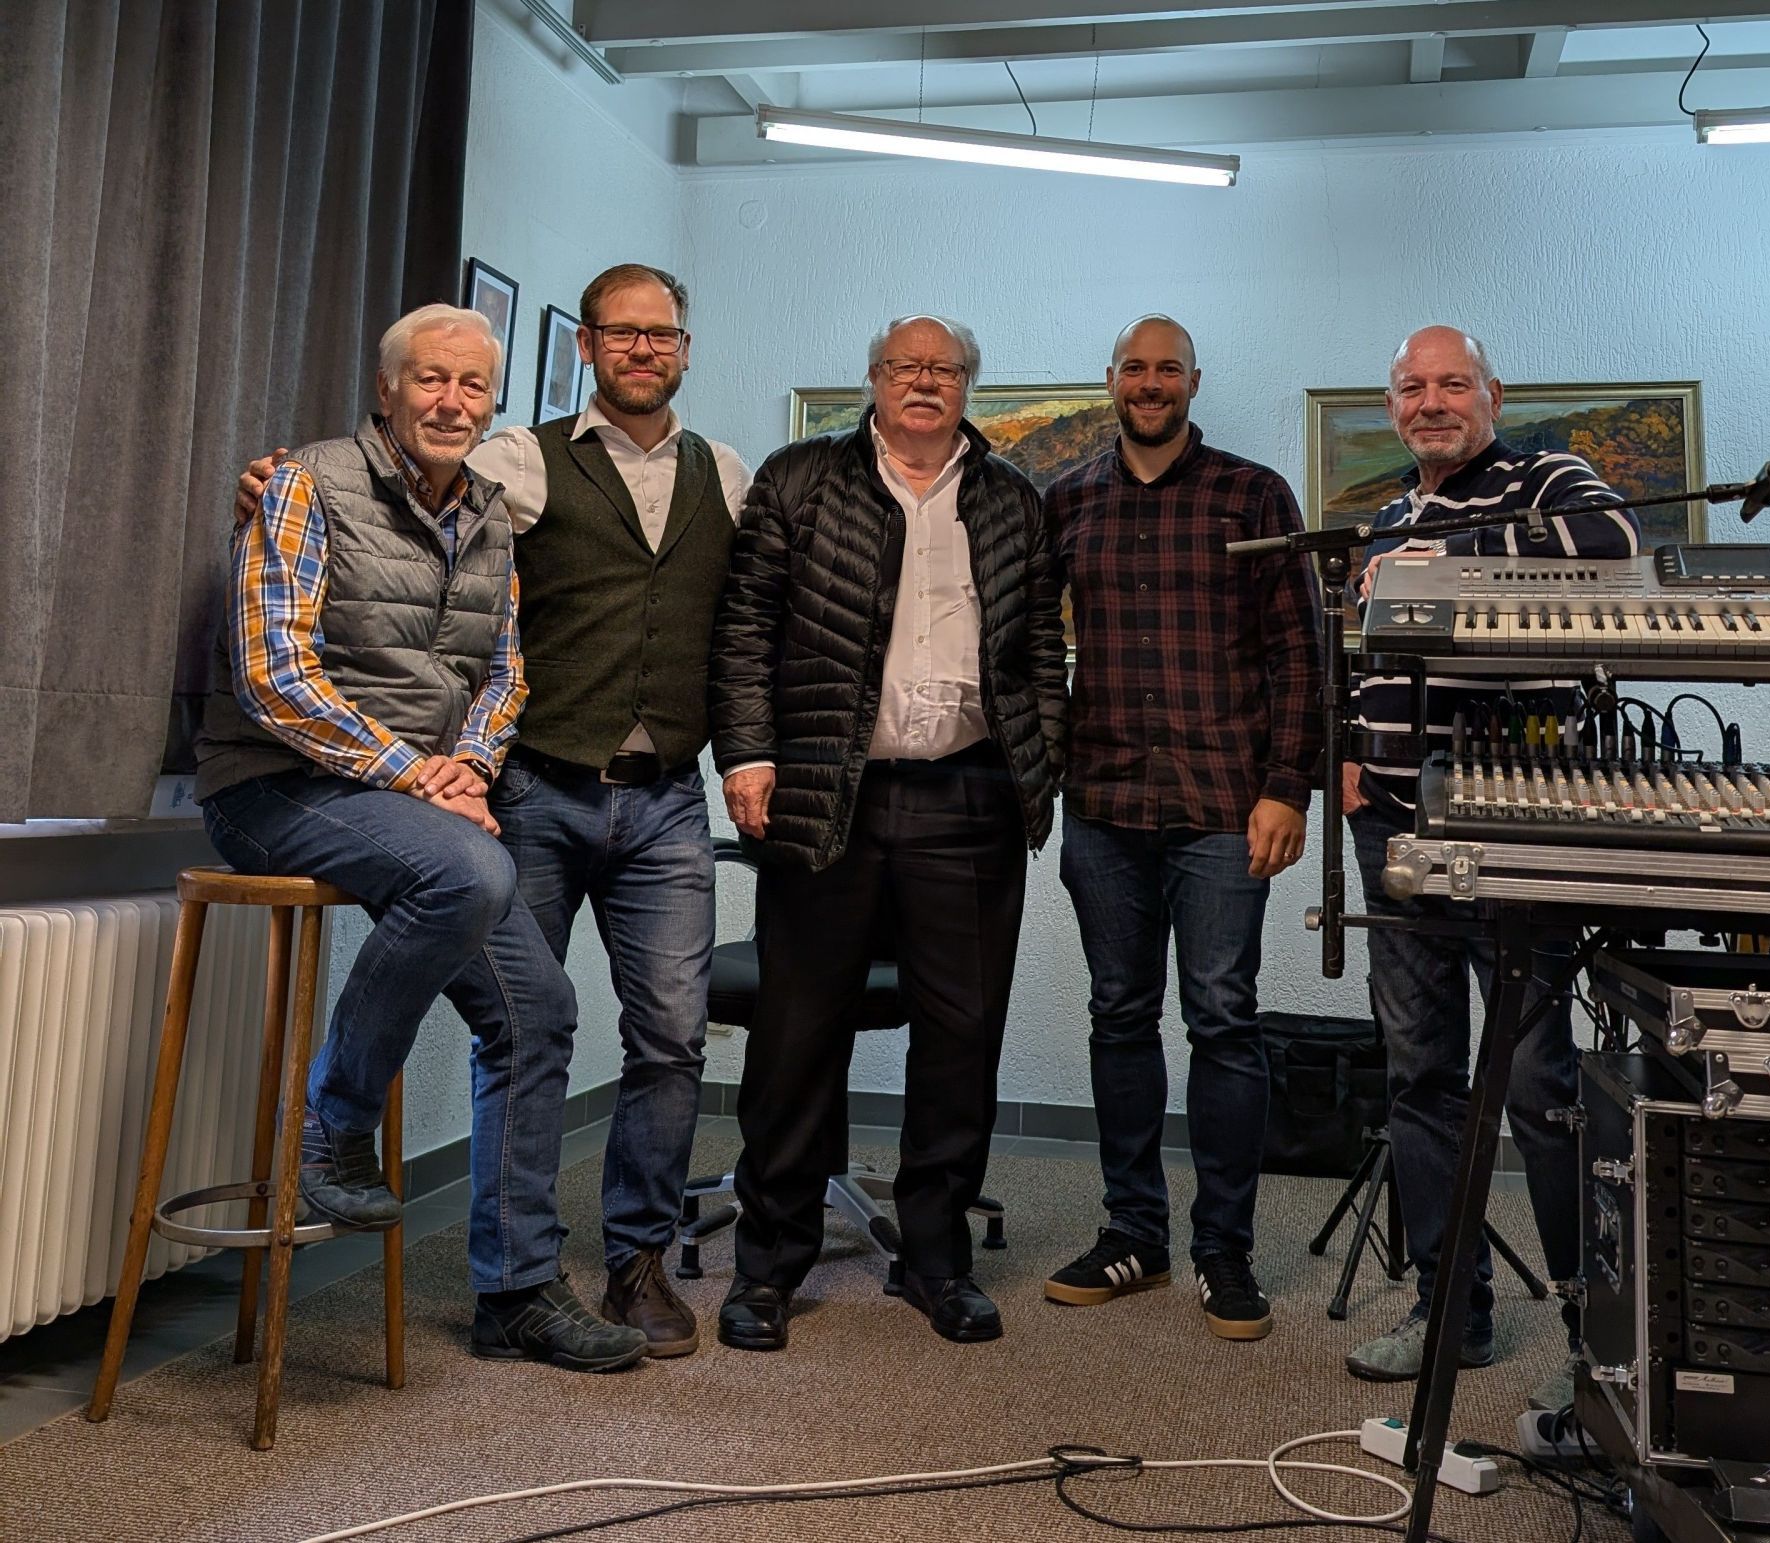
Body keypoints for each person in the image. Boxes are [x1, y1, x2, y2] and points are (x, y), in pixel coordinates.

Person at [235, 263, 749, 1361]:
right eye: (432, 380)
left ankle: (533, 1288)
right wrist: (426, 773)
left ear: (687, 346)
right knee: (470, 886)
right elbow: (273, 672)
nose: (453, 402)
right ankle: (337, 1125)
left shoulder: (486, 504)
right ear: (387, 389)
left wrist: (460, 760)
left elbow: (500, 668)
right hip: (336, 783)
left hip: (620, 794)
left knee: (566, 1019)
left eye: (473, 385)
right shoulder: (357, 480)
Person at [707, 314, 1068, 1350]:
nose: (924, 381)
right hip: (829, 796)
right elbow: (744, 625)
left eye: (945, 368)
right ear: (871, 380)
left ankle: (935, 1259)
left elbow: (1042, 643)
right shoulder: (801, 479)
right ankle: (769, 1265)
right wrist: (746, 752)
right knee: (796, 1034)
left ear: (969, 386)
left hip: (970, 800)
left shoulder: (1010, 501)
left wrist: (1040, 763)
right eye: (905, 366)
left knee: (962, 1037)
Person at [1341, 325, 1640, 1409]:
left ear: (1492, 394)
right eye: (1412, 387)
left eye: (1452, 383)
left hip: (1516, 816)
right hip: (1391, 824)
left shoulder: (1546, 476)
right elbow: (1361, 643)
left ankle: (1588, 1318)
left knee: (1534, 1079)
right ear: (1393, 408)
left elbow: (1610, 546)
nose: (1432, 402)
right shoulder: (1386, 513)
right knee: (1419, 1074)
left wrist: (1448, 565)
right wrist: (1346, 748)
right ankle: (1448, 1307)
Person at [1040, 315, 1322, 1342]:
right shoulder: (1065, 497)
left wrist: (1288, 787)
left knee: (1222, 1018)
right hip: (1103, 805)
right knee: (1118, 1014)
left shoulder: (1254, 496)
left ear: (1194, 381)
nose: (1150, 383)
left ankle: (1223, 1249)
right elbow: (1030, 652)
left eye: (1167, 369)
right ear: (1109, 379)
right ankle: (1133, 1234)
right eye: (1134, 368)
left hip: (1221, 807)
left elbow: (1301, 651)